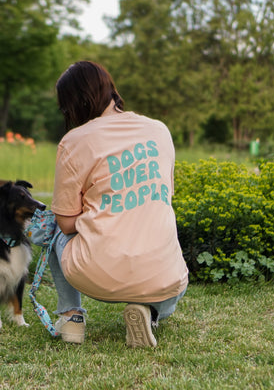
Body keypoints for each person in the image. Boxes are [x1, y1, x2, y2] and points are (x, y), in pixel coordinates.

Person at [49, 61, 189, 348]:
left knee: (51, 226)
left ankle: (71, 317)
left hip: (97, 271)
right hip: (166, 276)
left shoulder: (74, 142)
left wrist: (97, 214)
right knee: (168, 282)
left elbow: (65, 223)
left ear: (78, 103)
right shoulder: (160, 130)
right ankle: (150, 312)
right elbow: (159, 200)